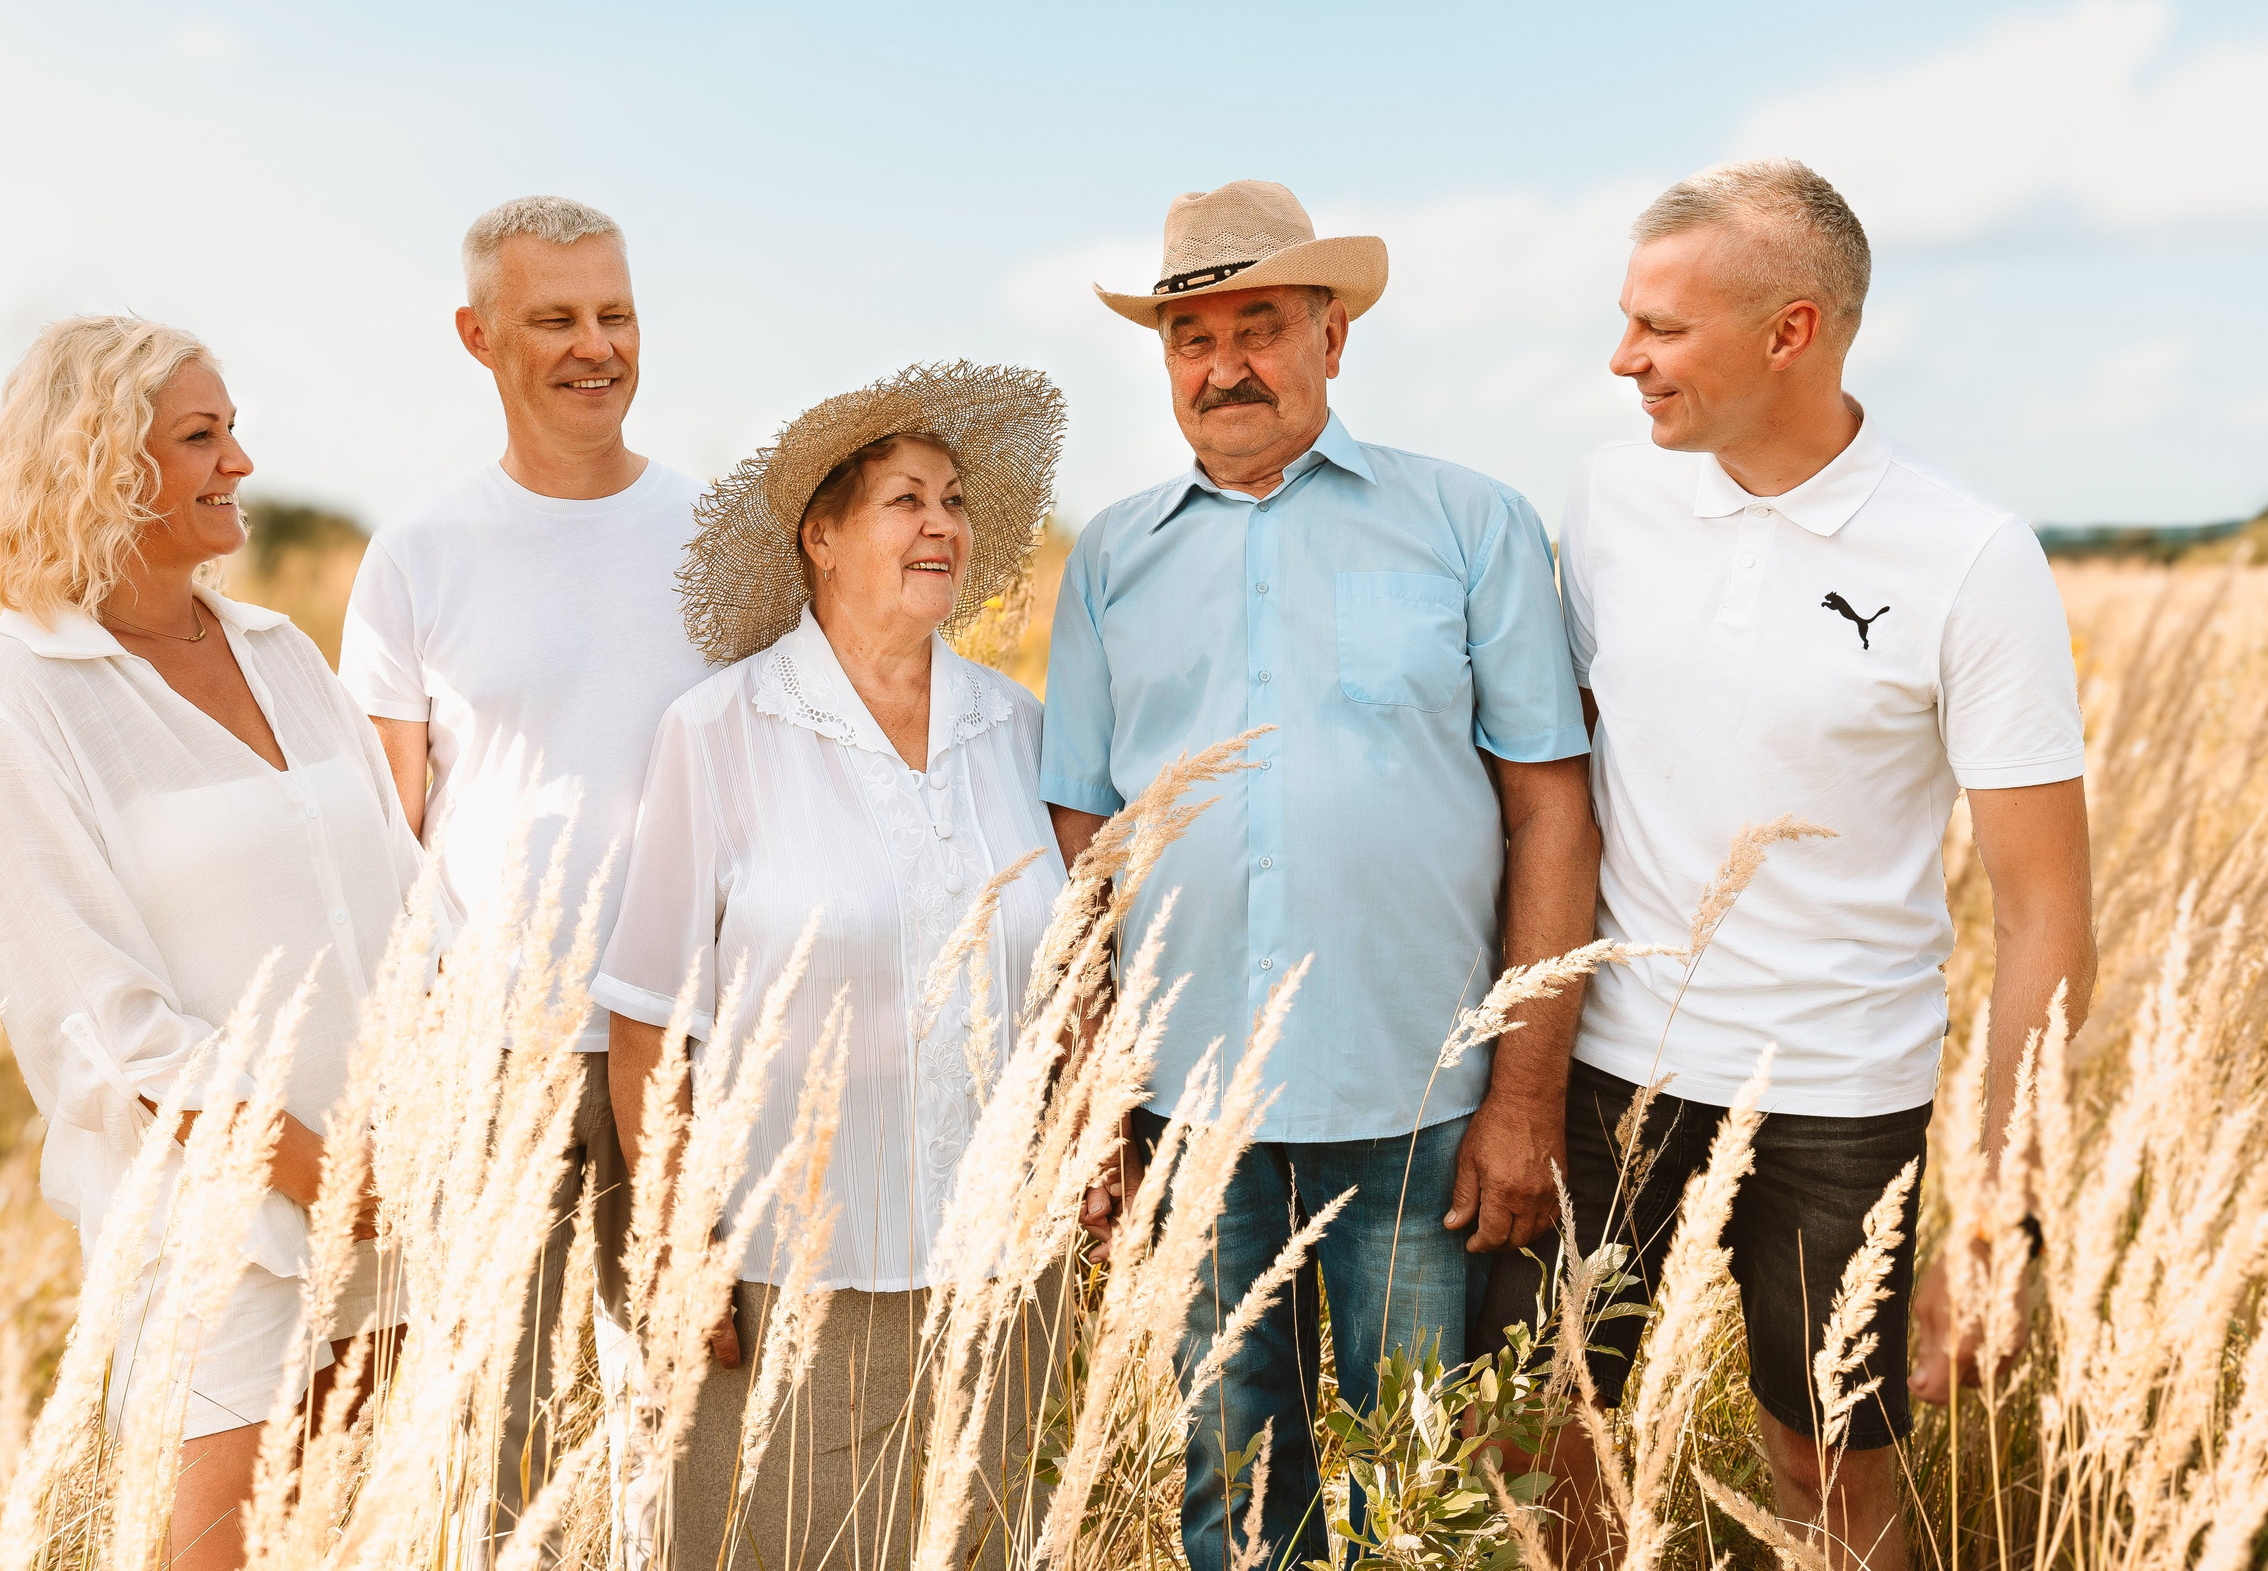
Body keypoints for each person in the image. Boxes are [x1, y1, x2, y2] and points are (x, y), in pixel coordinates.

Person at [1474, 159, 2095, 1571]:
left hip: (1840, 1091)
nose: (1622, 357)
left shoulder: (1970, 556)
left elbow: (2048, 905)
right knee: (1531, 1434)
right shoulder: (1612, 496)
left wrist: (2003, 1211)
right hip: (1608, 1058)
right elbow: (1551, 781)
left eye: (1662, 328)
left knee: (1830, 1473)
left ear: (1791, 331)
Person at [1044, 181, 1602, 1571]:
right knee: (1237, 1493)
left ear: (1333, 335)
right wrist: (1098, 1086)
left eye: (1260, 324)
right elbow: (1080, 834)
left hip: (1422, 1102)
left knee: (1433, 1491)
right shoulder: (1112, 555)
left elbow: (1551, 809)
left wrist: (1525, 1092)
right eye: (1190, 335)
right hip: (1190, 1105)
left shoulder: (1469, 520)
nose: (1223, 363)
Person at [0, 317, 418, 1571]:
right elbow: (102, 1026)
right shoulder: (15, 703)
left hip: (404, 1209)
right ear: (99, 460)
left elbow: (404, 899)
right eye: (202, 435)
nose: (239, 462)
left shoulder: (282, 652)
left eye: (233, 429)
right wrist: (322, 1175)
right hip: (232, 1237)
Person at [595, 362, 1068, 1570]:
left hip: (1003, 1267)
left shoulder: (1015, 729)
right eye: (907, 499)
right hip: (787, 1277)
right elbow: (649, 1020)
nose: (944, 525)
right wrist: (677, 1244)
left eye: (956, 502)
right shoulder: (719, 731)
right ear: (822, 535)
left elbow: (1065, 978)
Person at [337, 195, 712, 1543]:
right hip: (494, 1052)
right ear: (478, 333)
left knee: (700, 1413)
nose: (592, 345)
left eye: (612, 314)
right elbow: (383, 839)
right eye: (554, 317)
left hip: (696, 1038)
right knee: (506, 1436)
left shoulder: (724, 538)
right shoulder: (416, 559)